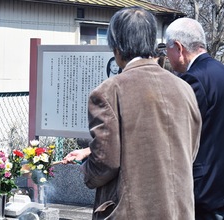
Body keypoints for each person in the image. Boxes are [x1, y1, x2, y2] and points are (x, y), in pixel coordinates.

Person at [63, 6, 202, 219]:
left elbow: (105, 162)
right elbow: (190, 151)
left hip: (131, 211)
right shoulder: (184, 88)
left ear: (117, 46)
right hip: (180, 209)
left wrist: (85, 171)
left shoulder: (109, 91)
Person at [165, 17, 224, 220]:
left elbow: (177, 133)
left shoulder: (193, 80)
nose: (166, 55)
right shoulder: (220, 71)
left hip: (204, 190)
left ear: (179, 48)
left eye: (167, 48)